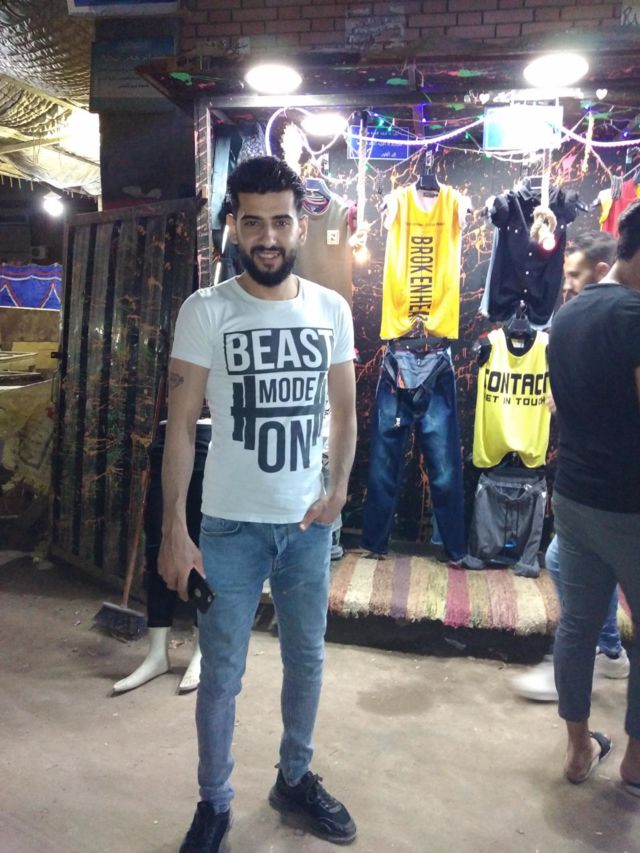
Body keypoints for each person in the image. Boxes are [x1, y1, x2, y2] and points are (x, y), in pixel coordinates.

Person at [158, 156, 358, 851]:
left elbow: (344, 410)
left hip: (306, 527)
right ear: (233, 227)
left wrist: (339, 488)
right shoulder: (206, 310)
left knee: (307, 660)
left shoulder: (330, 310)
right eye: (252, 222)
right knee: (221, 674)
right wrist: (175, 529)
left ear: (300, 224)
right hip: (229, 528)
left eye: (280, 221)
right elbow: (179, 425)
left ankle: (294, 778)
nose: (267, 236)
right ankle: (214, 802)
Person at [512, 231, 629, 702]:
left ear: (602, 271)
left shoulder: (617, 320)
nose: (567, 285)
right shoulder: (583, 320)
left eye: (575, 275)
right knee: (570, 563)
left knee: (571, 571)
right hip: (590, 484)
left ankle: (603, 656)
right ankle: (610, 653)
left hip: (616, 489)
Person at [548, 201, 640, 794]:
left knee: (577, 627)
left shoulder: (569, 314)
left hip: (574, 496)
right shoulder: (634, 316)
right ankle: (635, 762)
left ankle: (579, 749)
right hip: (629, 506)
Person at [112, 419, 211, 695]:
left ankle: (201, 652)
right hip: (167, 439)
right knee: (159, 547)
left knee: (203, 548)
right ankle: (157, 655)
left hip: (208, 436)